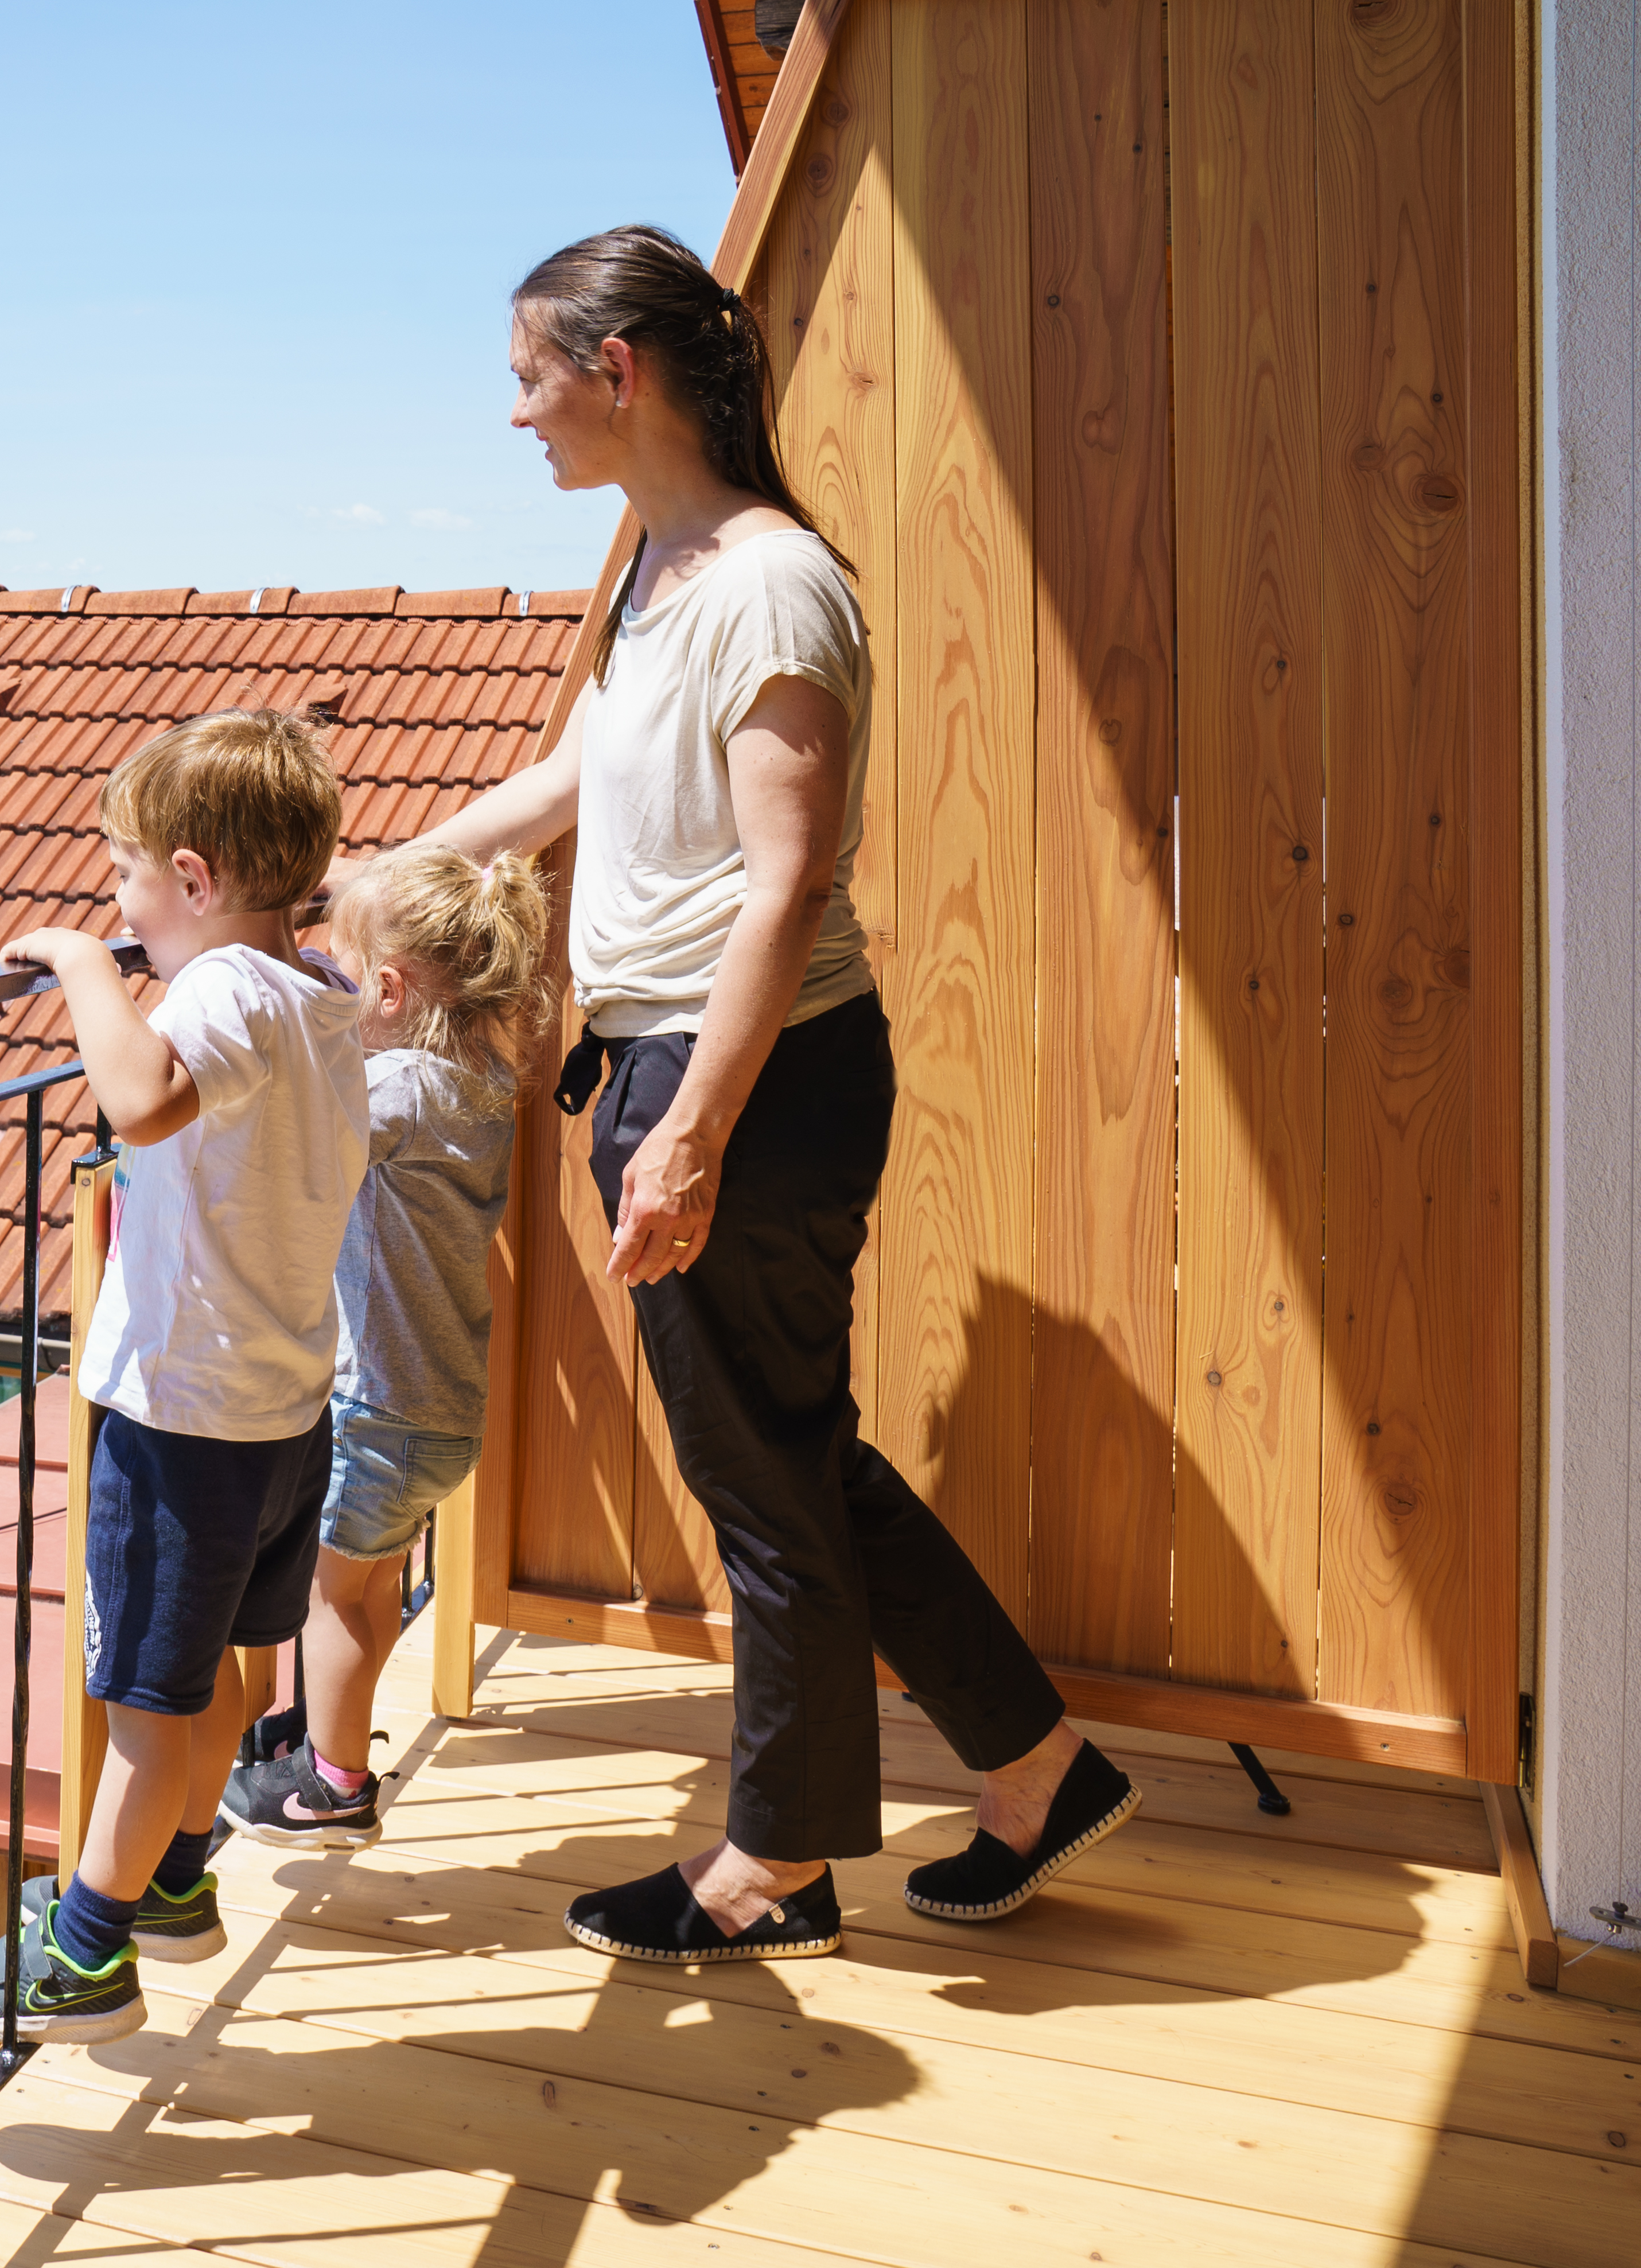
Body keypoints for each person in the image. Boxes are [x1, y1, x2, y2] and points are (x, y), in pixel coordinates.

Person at [387, 223, 1136, 1964]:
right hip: (681, 1069)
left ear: (617, 371)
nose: (519, 418)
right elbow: (571, 778)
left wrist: (690, 1137)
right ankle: (1035, 1767)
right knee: (799, 1457)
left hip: (753, 1075)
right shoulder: (664, 567)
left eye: (529, 379)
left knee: (764, 1481)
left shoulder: (773, 583)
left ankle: (775, 1869)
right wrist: (375, 879)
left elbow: (787, 880)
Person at [0, 707, 367, 2042]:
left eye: (125, 878)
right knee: (219, 1670)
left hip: (186, 1421)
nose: (118, 908)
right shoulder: (325, 998)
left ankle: (85, 1955)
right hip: (287, 1414)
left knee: (142, 1707)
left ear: (196, 879)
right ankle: (172, 1879)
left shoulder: (221, 989)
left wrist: (75, 965)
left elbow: (145, 1098)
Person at [217, 841, 549, 1848]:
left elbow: (306, 1133)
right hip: (440, 1415)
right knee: (367, 1591)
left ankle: (333, 1786)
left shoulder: (397, 1090)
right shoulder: (482, 1087)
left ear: (393, 990)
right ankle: (322, 1737)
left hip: (373, 1414)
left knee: (334, 1598)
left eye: (351, 982)